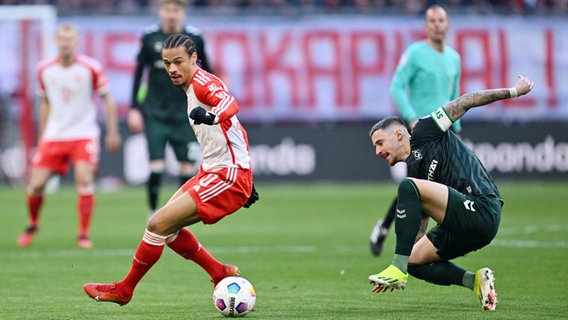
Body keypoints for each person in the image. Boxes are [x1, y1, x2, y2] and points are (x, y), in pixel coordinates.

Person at [83, 33, 259, 306]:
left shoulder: (202, 83)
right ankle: (218, 271)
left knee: (157, 224)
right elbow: (236, 130)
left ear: (194, 58)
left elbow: (229, 103)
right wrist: (246, 171)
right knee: (165, 228)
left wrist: (212, 117)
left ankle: (124, 290)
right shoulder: (190, 86)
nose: (172, 69)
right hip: (216, 170)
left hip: (227, 174)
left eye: (178, 62)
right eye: (167, 64)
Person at [367, 75, 534, 310]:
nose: (377, 151)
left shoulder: (425, 130)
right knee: (414, 261)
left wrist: (513, 92)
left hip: (482, 208)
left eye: (379, 143)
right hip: (462, 227)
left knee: (407, 187)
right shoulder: (414, 171)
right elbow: (419, 231)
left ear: (398, 135)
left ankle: (397, 267)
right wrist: (408, 257)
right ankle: (476, 282)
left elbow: (466, 101)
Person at [16, 23, 121, 249]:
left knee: (84, 178)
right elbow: (44, 102)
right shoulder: (44, 69)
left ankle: (83, 233)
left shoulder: (90, 67)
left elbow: (107, 98)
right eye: (62, 39)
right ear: (56, 41)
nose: (66, 43)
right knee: (35, 185)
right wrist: (42, 136)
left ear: (76, 42)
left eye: (70, 39)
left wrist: (112, 131)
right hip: (55, 135)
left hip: (83, 133)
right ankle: (33, 223)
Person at [370, 4, 461, 256]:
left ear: (448, 24)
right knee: (414, 186)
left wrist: (458, 130)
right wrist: (411, 118)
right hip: (421, 134)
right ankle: (389, 230)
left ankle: (419, 238)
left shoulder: (454, 58)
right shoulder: (415, 54)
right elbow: (396, 87)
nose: (437, 25)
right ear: (426, 26)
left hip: (445, 134)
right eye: (432, 21)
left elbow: (454, 97)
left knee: (432, 187)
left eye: (441, 20)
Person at [128, 0, 214, 216]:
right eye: (167, 9)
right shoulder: (149, 38)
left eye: (176, 10)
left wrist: (212, 99)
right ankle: (153, 213)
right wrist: (134, 108)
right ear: (160, 11)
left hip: (185, 113)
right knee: (156, 165)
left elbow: (207, 69)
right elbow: (139, 73)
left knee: (186, 165)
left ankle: (178, 213)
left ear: (183, 12)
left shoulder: (195, 37)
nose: (171, 14)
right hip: (155, 112)